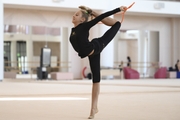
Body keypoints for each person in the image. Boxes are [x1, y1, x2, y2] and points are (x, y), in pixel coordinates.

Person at [69, 5, 127, 119]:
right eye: (74, 14)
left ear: (82, 19)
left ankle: (93, 108)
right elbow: (78, 46)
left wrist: (118, 10)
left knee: (117, 24)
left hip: (97, 46)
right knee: (96, 80)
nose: (73, 15)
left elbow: (103, 16)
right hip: (92, 52)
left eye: (77, 14)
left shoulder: (85, 26)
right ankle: (94, 108)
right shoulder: (73, 31)